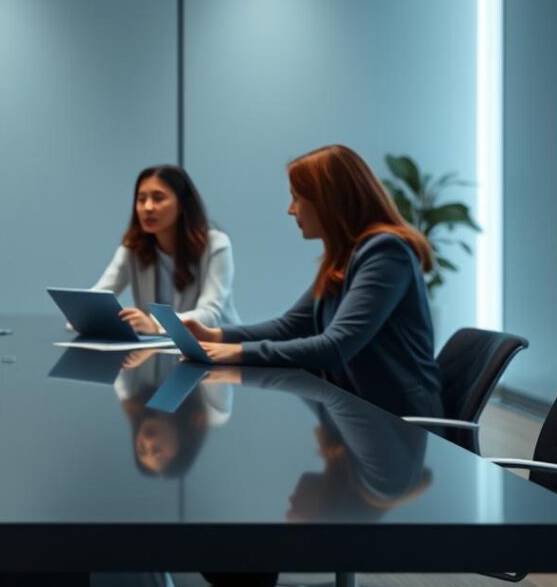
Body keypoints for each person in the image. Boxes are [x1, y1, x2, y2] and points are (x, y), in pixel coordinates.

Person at [183, 144, 443, 419]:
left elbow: (334, 347)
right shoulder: (344, 257)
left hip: (400, 422)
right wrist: (216, 335)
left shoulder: (386, 253)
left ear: (328, 200)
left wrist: (235, 352)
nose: (290, 210)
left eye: (296, 198)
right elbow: (291, 326)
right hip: (360, 410)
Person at [91, 164, 239, 334]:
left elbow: (210, 315)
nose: (148, 207)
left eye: (158, 198)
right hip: (158, 346)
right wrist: (86, 315)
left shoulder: (216, 245)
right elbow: (98, 297)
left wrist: (154, 324)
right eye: (141, 199)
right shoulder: (133, 247)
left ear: (182, 205)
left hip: (216, 347)